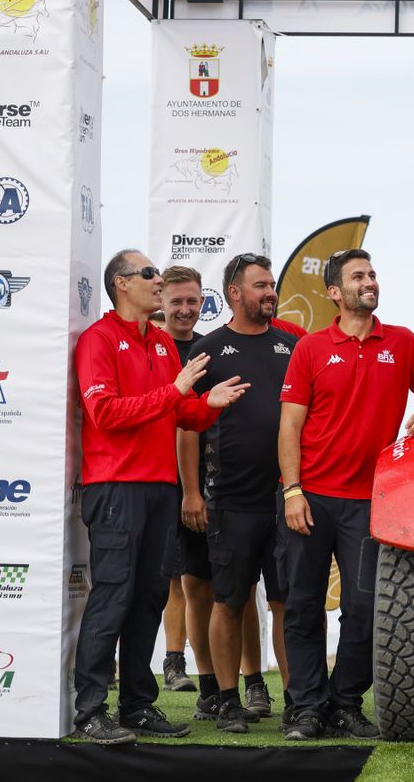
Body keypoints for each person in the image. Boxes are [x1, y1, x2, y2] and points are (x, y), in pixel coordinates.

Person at [71, 250, 248, 745]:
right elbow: (105, 413)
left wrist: (207, 404)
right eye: (149, 273)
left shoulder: (164, 343)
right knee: (113, 596)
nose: (158, 278)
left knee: (149, 598)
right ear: (122, 283)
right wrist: (176, 392)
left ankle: (136, 706)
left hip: (159, 487)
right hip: (116, 487)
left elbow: (180, 415)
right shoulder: (98, 339)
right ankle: (89, 711)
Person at [278, 249, 414, 740]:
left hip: (371, 503)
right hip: (310, 497)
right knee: (303, 606)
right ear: (335, 292)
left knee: (366, 609)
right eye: (358, 276)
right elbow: (289, 427)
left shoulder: (402, 342)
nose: (370, 281)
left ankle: (344, 704)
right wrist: (292, 491)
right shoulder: (311, 348)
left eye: (373, 274)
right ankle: (307, 708)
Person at [188, 253, 302, 732]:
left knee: (287, 604)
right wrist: (191, 492)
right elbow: (186, 426)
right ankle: (228, 700)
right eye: (260, 285)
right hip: (231, 499)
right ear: (234, 293)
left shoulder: (294, 345)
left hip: (287, 498)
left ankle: (298, 702)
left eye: (271, 285)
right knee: (229, 601)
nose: (270, 292)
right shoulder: (208, 350)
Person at [158, 266, 217, 702]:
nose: (184, 309)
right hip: (158, 478)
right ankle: (172, 661)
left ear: (203, 302)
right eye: (176, 301)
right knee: (171, 579)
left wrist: (195, 488)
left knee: (197, 580)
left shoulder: (210, 350)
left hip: (203, 481)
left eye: (192, 301)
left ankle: (203, 673)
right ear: (161, 302)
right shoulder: (151, 347)